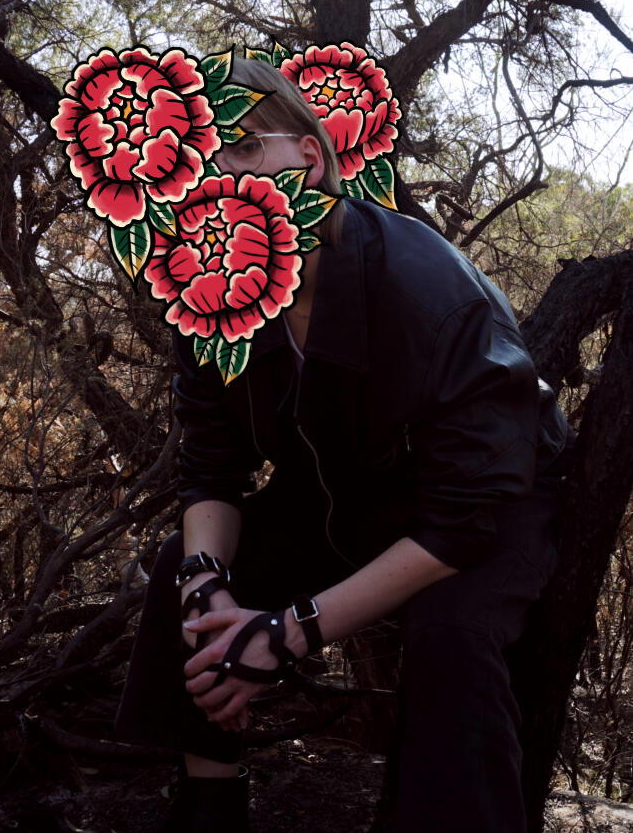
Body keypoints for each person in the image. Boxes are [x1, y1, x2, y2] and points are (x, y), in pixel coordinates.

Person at [115, 57, 571, 833]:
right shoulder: (211, 294)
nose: (219, 179)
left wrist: (287, 631)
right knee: (181, 571)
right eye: (196, 162)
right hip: (341, 495)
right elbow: (210, 465)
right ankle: (209, 802)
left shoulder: (427, 288)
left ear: (309, 157)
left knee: (453, 636)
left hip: (490, 503)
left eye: (245, 149)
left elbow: (462, 518)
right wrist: (208, 587)